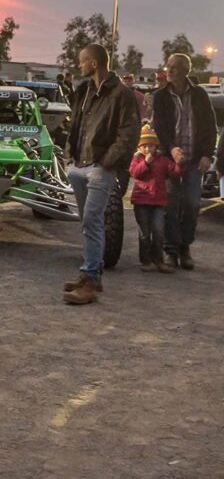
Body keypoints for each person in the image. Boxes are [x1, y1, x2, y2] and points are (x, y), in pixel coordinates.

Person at [62, 44, 140, 304]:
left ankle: (92, 279)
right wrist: (68, 155)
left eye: (82, 61)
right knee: (87, 222)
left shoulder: (121, 94)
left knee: (93, 221)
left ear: (94, 63)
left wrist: (106, 162)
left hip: (99, 169)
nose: (79, 65)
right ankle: (88, 273)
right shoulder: (84, 91)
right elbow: (76, 124)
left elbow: (128, 133)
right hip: (80, 166)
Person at [151, 53, 218, 270]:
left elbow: (210, 126)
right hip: (170, 160)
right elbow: (159, 127)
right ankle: (171, 250)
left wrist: (208, 154)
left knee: (191, 204)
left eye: (175, 67)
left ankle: (185, 247)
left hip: (194, 161)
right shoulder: (161, 96)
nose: (169, 71)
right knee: (170, 205)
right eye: (168, 66)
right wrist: (171, 149)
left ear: (186, 71)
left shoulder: (199, 95)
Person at [129, 125, 180, 273]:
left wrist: (179, 163)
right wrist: (146, 163)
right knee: (144, 232)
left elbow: (173, 173)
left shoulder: (162, 160)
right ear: (140, 147)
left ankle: (158, 260)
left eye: (151, 146)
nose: (148, 149)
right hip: (141, 201)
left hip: (158, 201)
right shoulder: (137, 159)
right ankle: (146, 260)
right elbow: (135, 173)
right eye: (145, 146)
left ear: (156, 146)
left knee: (158, 230)